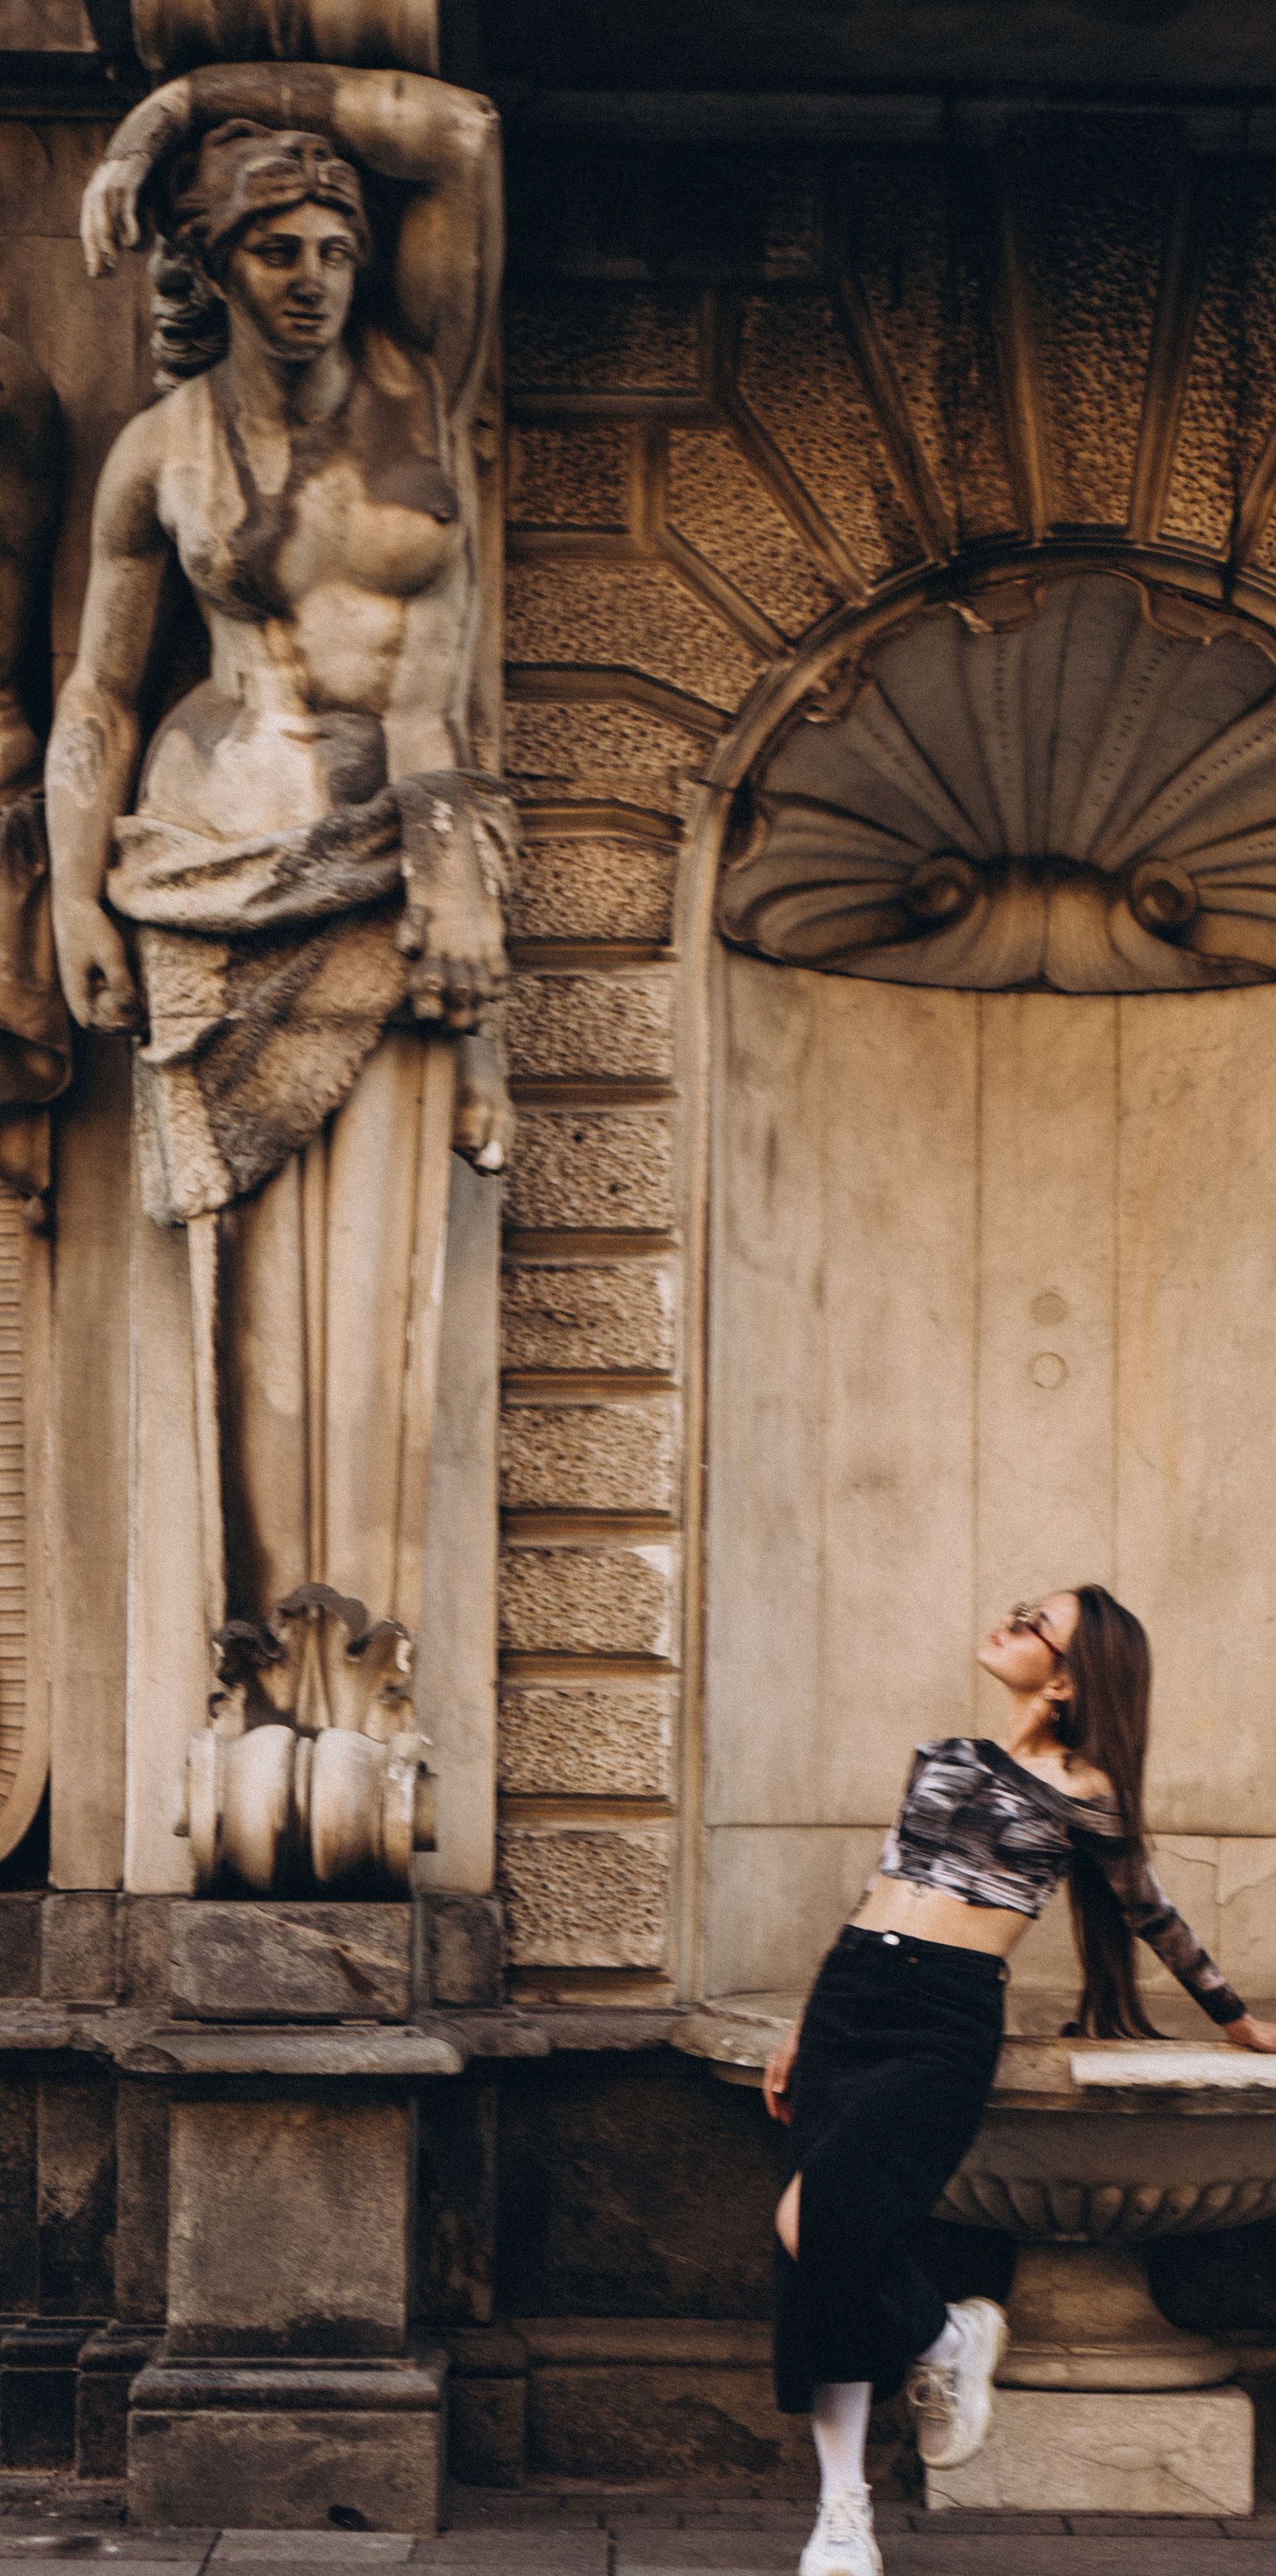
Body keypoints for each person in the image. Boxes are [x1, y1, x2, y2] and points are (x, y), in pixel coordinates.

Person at [46, 64, 513, 1874]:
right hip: (206, 862)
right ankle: (251, 1677)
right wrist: (76, 901)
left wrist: (174, 106)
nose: (312, 276)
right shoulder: (163, 454)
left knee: (379, 1289)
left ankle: (355, 1688)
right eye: (273, 250)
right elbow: (99, 696)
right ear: (215, 268)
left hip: (399, 860)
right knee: (229, 1290)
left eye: (332, 243)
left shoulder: (427, 380)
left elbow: (460, 136)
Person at [765, 1584, 1276, 2576]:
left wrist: (1234, 2019)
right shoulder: (944, 1756)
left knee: (819, 2225)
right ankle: (844, 2508)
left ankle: (945, 2339)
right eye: (1019, 1610)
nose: (1008, 1623)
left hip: (943, 2016)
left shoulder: (1087, 1793)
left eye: (1034, 1623)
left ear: (1065, 1680)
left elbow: (1153, 1912)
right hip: (852, 1994)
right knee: (823, 2262)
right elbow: (883, 1881)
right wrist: (805, 2024)